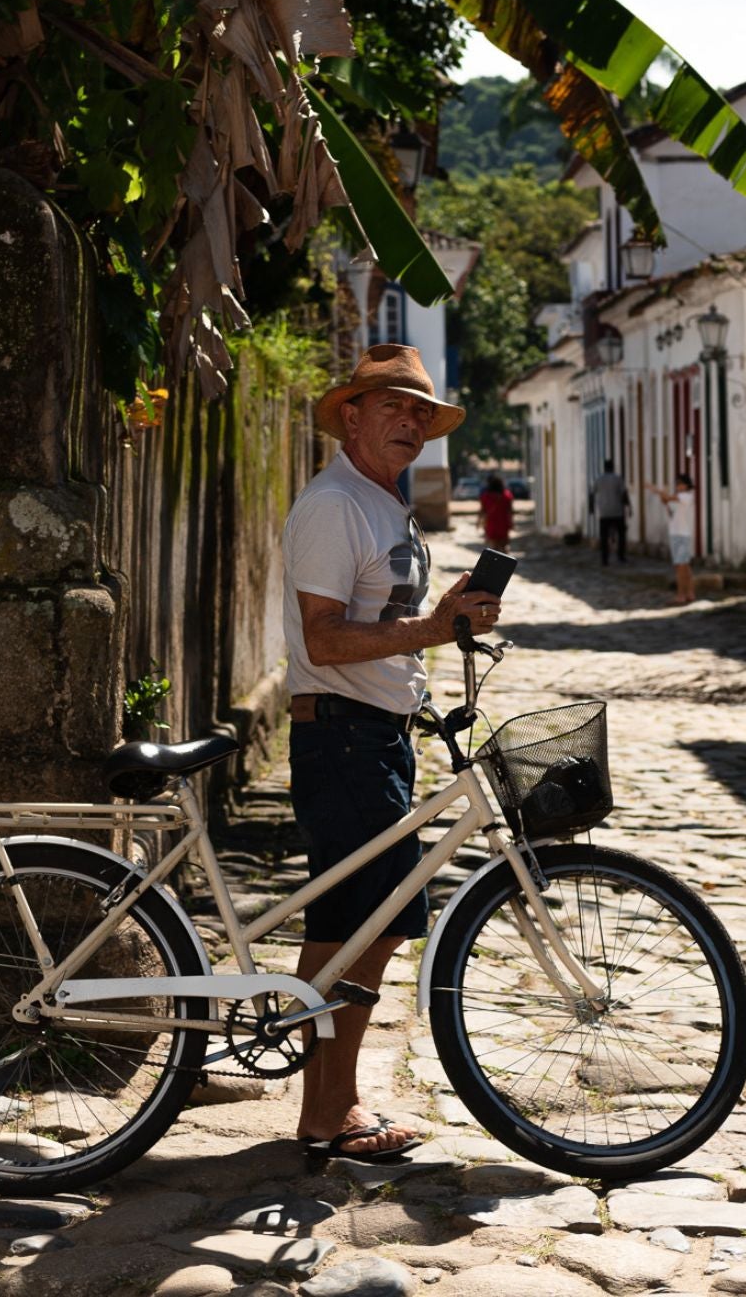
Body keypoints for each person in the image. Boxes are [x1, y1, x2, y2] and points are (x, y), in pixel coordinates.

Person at [281, 343, 503, 1164]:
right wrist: (430, 629)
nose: (409, 423)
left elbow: (388, 618)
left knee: (374, 926)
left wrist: (445, 614)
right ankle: (324, 1113)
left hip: (375, 730)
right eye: (390, 408)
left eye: (420, 413)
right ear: (351, 415)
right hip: (338, 731)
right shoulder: (337, 505)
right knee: (349, 923)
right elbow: (325, 636)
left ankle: (334, 1101)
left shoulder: (383, 503)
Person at [647, 472, 696, 604]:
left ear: (687, 485)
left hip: (682, 535)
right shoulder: (678, 498)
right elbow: (668, 504)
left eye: (681, 484)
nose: (679, 486)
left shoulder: (686, 497)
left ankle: (681, 595)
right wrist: (663, 496)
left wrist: (656, 490)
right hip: (675, 533)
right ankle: (690, 593)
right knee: (683, 566)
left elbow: (668, 498)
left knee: (681, 566)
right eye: (677, 484)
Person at [593, 457, 629, 565]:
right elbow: (624, 494)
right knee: (621, 535)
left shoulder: (598, 479)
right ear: (613, 467)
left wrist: (591, 508)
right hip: (617, 511)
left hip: (604, 512)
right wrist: (628, 507)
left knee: (604, 536)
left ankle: (605, 559)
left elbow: (592, 493)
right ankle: (621, 556)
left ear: (604, 468)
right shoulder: (618, 479)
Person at [478, 473, 513, 551]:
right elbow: (510, 511)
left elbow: (483, 511)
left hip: (491, 524)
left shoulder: (486, 496)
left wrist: (479, 522)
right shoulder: (507, 495)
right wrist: (511, 523)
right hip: (503, 524)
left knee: (493, 548)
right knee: (504, 546)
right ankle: (505, 562)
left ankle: (495, 562)